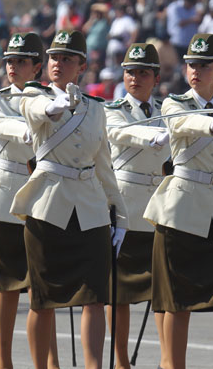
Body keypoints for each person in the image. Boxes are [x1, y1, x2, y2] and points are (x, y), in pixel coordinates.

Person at [10, 29, 129, 369]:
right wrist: (56, 105)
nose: (58, 63)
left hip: (90, 208)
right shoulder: (34, 95)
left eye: (67, 58)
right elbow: (36, 110)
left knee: (95, 296)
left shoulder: (96, 109)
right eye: (53, 58)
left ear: (82, 66)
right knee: (43, 299)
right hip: (47, 205)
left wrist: (120, 215)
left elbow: (104, 165)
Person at [143, 33, 213, 369]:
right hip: (181, 212)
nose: (196, 70)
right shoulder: (174, 103)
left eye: (204, 65)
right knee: (178, 304)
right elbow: (180, 124)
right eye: (192, 63)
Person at [0, 32, 60, 369]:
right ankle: (4, 360)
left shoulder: (55, 99)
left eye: (20, 61)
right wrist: (32, 127)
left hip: (45, 196)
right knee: (6, 287)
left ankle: (49, 362)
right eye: (9, 60)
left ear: (37, 66)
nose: (12, 66)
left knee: (44, 289)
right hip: (4, 196)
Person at [104, 43, 169, 369]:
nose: (136, 78)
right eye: (130, 71)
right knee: (120, 294)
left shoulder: (169, 113)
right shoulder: (113, 109)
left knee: (163, 293)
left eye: (143, 72)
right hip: (125, 209)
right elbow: (119, 133)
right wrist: (153, 137)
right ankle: (120, 362)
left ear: (155, 78)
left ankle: (166, 359)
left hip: (159, 210)